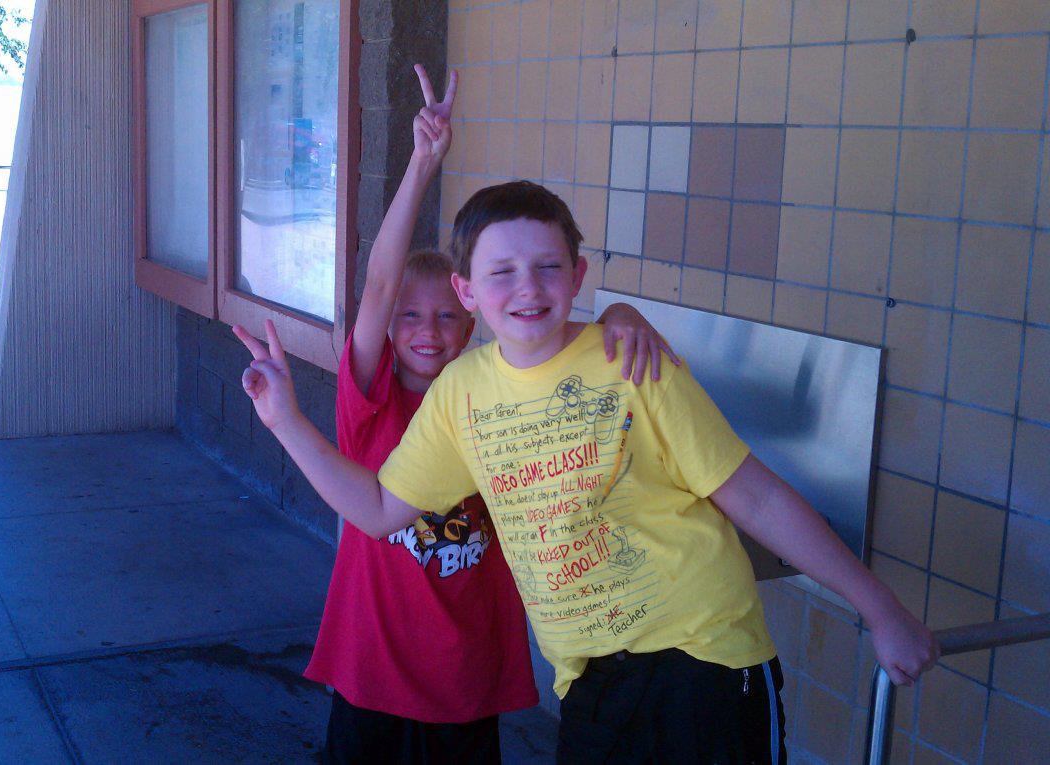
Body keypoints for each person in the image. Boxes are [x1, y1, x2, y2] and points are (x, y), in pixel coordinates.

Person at [234, 179, 940, 763]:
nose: (527, 287)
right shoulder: (461, 393)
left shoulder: (631, 359)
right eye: (501, 271)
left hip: (704, 656)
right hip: (588, 679)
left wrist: (879, 608)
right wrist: (284, 420)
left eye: (548, 266)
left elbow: (754, 497)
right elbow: (378, 509)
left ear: (578, 275)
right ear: (469, 289)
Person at [234, 67, 675, 764]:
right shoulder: (369, 399)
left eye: (445, 316)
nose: (427, 331)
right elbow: (381, 282)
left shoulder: (497, 396)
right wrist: (422, 161)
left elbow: (564, 343)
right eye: (410, 316)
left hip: (465, 674)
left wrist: (621, 312)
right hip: (373, 665)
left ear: (472, 320)